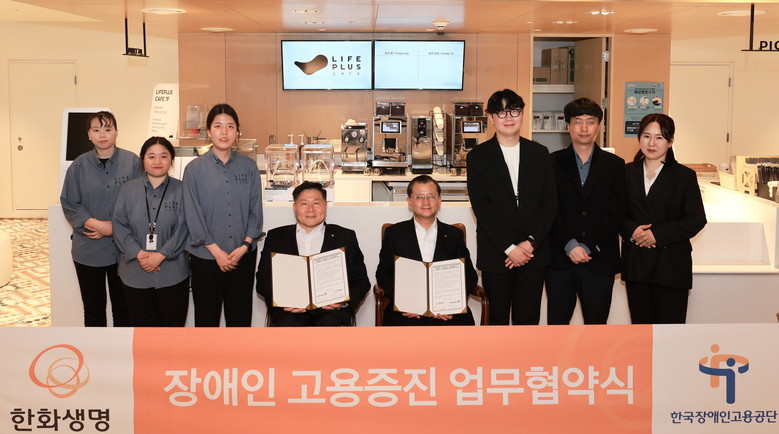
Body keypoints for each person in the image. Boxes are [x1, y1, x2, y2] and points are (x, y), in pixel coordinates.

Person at [466, 89, 557, 325]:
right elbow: (482, 207)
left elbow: (549, 203)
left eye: (514, 111)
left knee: (528, 321)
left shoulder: (539, 153)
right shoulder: (478, 157)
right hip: (497, 253)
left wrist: (529, 243)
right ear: (491, 118)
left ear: (523, 114)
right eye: (501, 112)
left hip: (533, 253)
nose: (508, 117)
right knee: (496, 321)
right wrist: (509, 248)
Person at [546, 98, 626, 324]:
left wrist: (590, 245)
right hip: (561, 260)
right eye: (577, 121)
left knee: (597, 328)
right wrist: (570, 244)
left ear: (599, 126)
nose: (584, 128)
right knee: (557, 328)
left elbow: (616, 212)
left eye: (590, 122)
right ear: (568, 126)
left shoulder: (615, 165)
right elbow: (549, 209)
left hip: (599, 260)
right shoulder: (551, 162)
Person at [621, 113, 706, 324]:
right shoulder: (625, 172)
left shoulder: (684, 176)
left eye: (659, 137)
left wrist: (657, 235)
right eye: (646, 136)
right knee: (641, 332)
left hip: (671, 266)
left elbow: (696, 219)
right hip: (637, 264)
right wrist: (632, 230)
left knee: (671, 333)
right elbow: (614, 212)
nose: (651, 143)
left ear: (670, 141)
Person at [183, 103, 263, 327]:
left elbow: (255, 211)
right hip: (206, 258)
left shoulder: (249, 167)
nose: (224, 132)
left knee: (240, 321)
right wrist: (216, 251)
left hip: (242, 257)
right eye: (218, 126)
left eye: (230, 126)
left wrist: (245, 246)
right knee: (206, 321)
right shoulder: (194, 169)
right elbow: (192, 214)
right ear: (208, 132)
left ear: (238, 132)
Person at [60, 111, 143, 326]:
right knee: (93, 309)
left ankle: (122, 348)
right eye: (96, 130)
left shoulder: (133, 162)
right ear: (89, 135)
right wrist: (96, 224)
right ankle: (95, 349)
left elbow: (141, 202)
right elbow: (69, 202)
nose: (102, 135)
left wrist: (114, 228)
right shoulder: (79, 166)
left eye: (107, 129)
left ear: (116, 132)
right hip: (88, 249)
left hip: (124, 250)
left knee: (124, 308)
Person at [256, 182, 370, 326]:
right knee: (288, 325)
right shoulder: (276, 237)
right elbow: (263, 279)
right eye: (304, 204)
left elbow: (360, 280)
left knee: (328, 325)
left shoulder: (345, 237)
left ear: (325, 206)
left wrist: (342, 301)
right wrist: (281, 301)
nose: (310, 209)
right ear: (294, 207)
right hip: (288, 310)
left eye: (316, 203)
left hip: (331, 310)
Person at [376, 175, 478, 326]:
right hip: (407, 310)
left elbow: (469, 275)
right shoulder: (394, 233)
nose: (426, 202)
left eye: (431, 196)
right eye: (419, 197)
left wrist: (453, 305)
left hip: (446, 310)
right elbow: (384, 273)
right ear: (409, 202)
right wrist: (403, 302)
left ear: (439, 201)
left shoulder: (454, 235)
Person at [112, 137, 189, 327]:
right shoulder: (128, 190)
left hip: (172, 274)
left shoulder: (182, 190)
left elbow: (184, 227)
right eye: (151, 156)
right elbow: (119, 225)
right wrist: (140, 254)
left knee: (171, 334)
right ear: (142, 159)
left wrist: (161, 255)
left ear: (171, 159)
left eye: (164, 156)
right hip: (135, 273)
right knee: (141, 334)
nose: (157, 161)